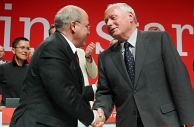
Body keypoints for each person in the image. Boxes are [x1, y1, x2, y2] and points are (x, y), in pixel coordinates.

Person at [92, 3, 194, 127]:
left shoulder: (159, 40)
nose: (108, 24)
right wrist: (101, 110)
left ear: (130, 16)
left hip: (163, 121)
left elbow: (179, 81)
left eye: (113, 18)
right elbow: (105, 92)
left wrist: (190, 121)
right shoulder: (105, 57)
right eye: (106, 21)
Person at [9, 5, 104, 127]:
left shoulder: (63, 48)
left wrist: (96, 87)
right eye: (87, 26)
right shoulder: (53, 47)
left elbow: (70, 90)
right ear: (73, 26)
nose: (89, 31)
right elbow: (64, 92)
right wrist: (93, 117)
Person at [48, 23, 98, 127]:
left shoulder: (79, 53)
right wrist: (92, 118)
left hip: (84, 103)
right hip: (63, 108)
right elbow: (63, 90)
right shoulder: (52, 53)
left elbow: (93, 75)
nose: (88, 32)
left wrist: (88, 57)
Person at [0, 37, 30, 110]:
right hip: (7, 113)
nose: (25, 51)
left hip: (27, 112)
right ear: (13, 50)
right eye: (22, 48)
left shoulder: (31, 70)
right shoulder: (3, 69)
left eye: (27, 48)